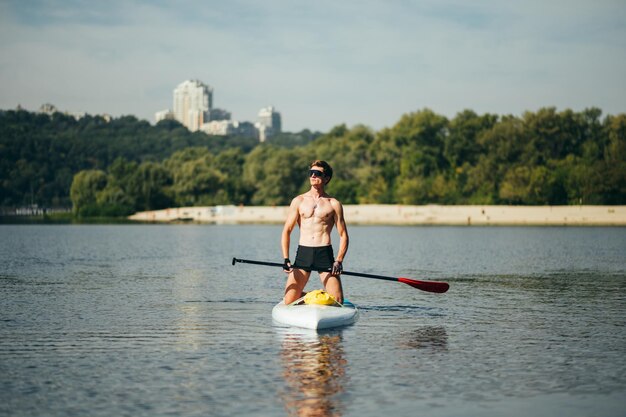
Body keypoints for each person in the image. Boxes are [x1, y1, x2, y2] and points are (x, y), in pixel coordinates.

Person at [281, 160, 349, 305]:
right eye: (310, 173)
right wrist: (286, 259)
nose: (313, 175)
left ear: (326, 178)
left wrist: (339, 260)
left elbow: (343, 235)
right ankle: (315, 295)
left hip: (324, 253)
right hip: (304, 253)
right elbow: (287, 231)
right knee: (288, 301)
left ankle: (321, 296)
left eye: (317, 173)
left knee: (338, 301)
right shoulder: (298, 200)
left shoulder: (333, 203)